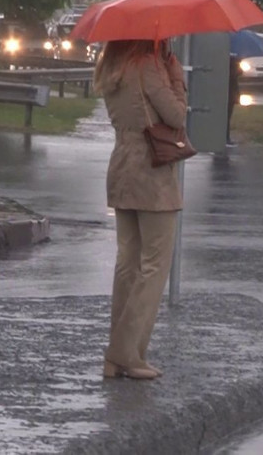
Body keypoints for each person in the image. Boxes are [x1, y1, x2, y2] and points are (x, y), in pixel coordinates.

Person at [93, 39, 188, 380]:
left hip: (121, 165)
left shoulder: (111, 66)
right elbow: (176, 115)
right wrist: (176, 77)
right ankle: (125, 352)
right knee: (155, 264)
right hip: (151, 171)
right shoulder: (148, 66)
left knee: (128, 262)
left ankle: (118, 356)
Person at [226, 53, 240, 145]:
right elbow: (236, 73)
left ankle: (226, 137)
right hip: (230, 92)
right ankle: (226, 138)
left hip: (229, 92)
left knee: (226, 117)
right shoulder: (232, 61)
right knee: (227, 116)